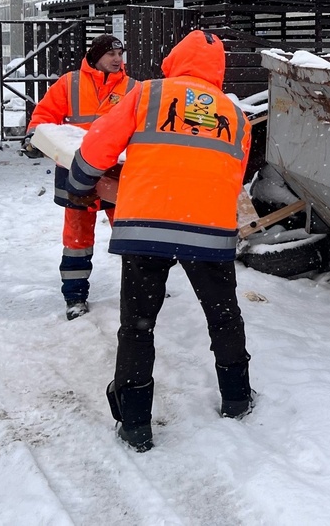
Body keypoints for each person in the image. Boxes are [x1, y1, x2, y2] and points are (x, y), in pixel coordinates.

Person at [67, 30, 252, 452]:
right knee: (223, 316)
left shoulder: (148, 94)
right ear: (218, 71)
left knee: (137, 325)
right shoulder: (235, 115)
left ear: (174, 60)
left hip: (146, 227)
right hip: (209, 231)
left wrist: (80, 180)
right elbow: (233, 178)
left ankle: (135, 424)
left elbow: (99, 146)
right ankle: (237, 398)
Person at [24, 34, 136, 320]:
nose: (117, 60)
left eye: (120, 54)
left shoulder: (134, 88)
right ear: (96, 56)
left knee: (131, 234)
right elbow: (45, 115)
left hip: (117, 173)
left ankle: (143, 289)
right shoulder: (70, 83)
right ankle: (75, 297)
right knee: (77, 238)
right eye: (111, 54)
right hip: (77, 172)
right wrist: (33, 137)